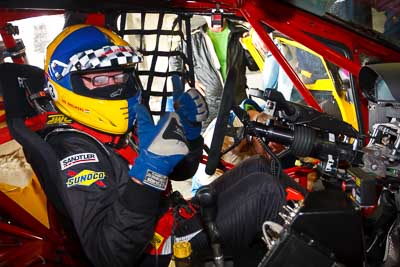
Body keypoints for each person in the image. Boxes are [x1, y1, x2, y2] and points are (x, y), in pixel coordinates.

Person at [40, 24, 305, 267]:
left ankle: (315, 218)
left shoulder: (120, 126)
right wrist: (148, 172)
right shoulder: (75, 150)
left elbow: (179, 174)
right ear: (66, 83)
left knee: (259, 166)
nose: (114, 87)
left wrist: (189, 134)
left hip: (170, 217)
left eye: (119, 75)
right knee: (266, 190)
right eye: (99, 78)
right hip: (156, 250)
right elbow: (110, 254)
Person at [170, 16, 259, 129]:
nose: (216, 17)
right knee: (210, 144)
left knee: (242, 142)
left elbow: (254, 65)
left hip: (238, 103)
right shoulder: (194, 38)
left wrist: (249, 47)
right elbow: (175, 59)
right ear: (204, 14)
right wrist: (187, 83)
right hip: (209, 108)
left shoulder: (240, 32)